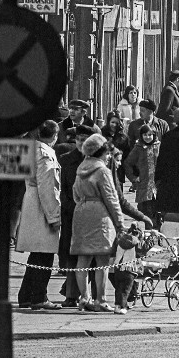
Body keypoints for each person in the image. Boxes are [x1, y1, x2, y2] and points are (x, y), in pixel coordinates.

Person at [70, 133, 124, 313]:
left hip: (82, 210)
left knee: (83, 258)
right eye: (107, 153)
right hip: (100, 213)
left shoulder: (81, 168)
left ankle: (84, 297)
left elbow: (75, 194)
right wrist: (120, 222)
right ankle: (101, 299)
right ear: (101, 152)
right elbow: (111, 197)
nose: (109, 156)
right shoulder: (102, 171)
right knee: (102, 258)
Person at [16, 120, 62, 310]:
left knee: (36, 254)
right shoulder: (45, 154)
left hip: (31, 200)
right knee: (44, 254)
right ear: (55, 136)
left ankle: (26, 295)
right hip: (41, 206)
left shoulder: (31, 149)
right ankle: (38, 296)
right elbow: (47, 187)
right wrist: (54, 216)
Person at [57, 124, 96, 307]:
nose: (81, 143)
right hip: (71, 214)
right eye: (78, 139)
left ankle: (96, 295)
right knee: (73, 256)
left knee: (96, 257)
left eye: (85, 140)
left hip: (94, 215)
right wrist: (69, 207)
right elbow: (61, 189)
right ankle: (71, 295)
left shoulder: (100, 161)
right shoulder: (66, 160)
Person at [124, 124, 159, 204]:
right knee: (144, 209)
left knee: (158, 210)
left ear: (154, 135)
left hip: (157, 184)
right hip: (144, 184)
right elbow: (128, 163)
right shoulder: (138, 148)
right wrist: (133, 178)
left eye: (150, 135)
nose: (147, 137)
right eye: (145, 135)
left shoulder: (158, 146)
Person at [102, 110, 132, 191]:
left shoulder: (124, 137)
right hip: (104, 171)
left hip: (118, 172)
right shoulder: (101, 134)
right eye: (112, 122)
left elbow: (127, 156)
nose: (114, 125)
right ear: (108, 122)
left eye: (117, 123)